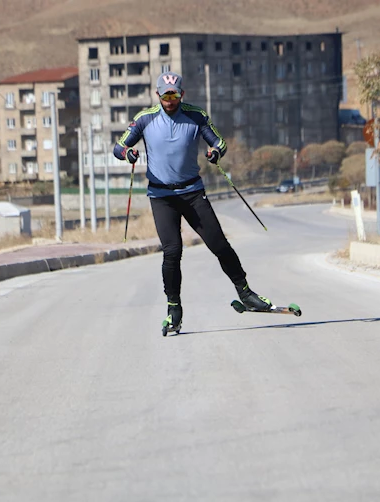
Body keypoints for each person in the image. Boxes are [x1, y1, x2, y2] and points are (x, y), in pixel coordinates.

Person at [113, 72, 271, 331]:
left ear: (182, 94)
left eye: (174, 95)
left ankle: (246, 293)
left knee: (219, 244)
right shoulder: (145, 118)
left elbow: (219, 142)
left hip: (192, 193)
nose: (170, 100)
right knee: (172, 252)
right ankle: (173, 309)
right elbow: (118, 147)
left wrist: (215, 151)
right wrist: (127, 152)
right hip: (161, 196)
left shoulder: (197, 115)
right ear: (158, 95)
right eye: (165, 95)